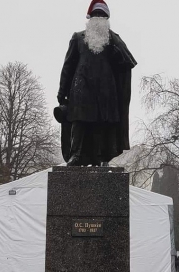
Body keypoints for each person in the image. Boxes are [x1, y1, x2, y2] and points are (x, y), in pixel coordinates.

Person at [56, 0, 137, 166]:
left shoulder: (113, 39)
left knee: (101, 124)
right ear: (90, 18)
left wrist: (116, 48)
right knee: (79, 122)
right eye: (96, 15)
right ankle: (76, 154)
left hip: (105, 91)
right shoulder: (78, 37)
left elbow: (127, 61)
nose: (99, 18)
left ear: (107, 19)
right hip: (81, 89)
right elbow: (68, 67)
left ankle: (99, 157)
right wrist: (62, 91)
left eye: (102, 15)